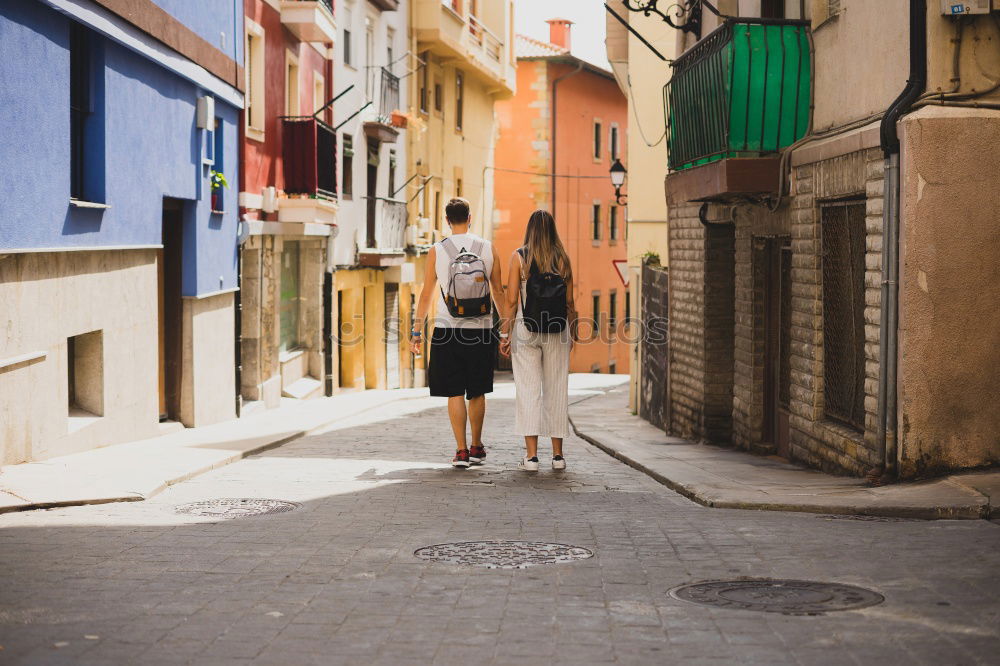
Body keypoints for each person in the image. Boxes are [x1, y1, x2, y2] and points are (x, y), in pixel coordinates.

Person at [410, 197, 506, 468]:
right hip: (482, 329)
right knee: (477, 391)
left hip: (446, 328)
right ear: (470, 217)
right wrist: (507, 329)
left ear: (447, 220)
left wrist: (416, 332)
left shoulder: (437, 250)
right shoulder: (487, 248)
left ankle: (461, 451)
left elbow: (427, 293)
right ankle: (477, 446)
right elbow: (498, 291)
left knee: (454, 391)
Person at [499, 210, 577, 471]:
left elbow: (511, 301)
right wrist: (573, 330)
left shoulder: (519, 258)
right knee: (556, 389)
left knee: (528, 390)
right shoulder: (562, 259)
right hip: (557, 329)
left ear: (530, 230)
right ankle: (558, 456)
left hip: (525, 328)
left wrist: (504, 334)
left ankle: (531, 457)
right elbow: (570, 302)